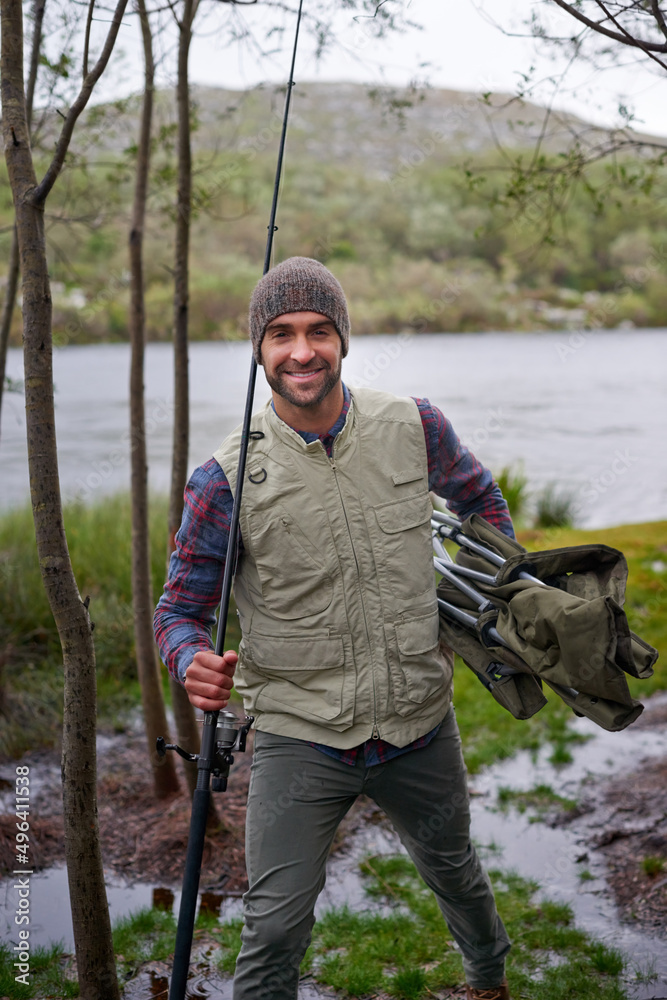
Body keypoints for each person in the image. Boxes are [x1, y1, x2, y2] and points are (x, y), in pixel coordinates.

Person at [154, 257, 514, 1000]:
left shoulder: (415, 425)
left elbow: (482, 501)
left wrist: (483, 600)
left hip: (419, 719)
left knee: (455, 870)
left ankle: (487, 978)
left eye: (319, 330)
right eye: (280, 334)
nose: (301, 350)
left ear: (343, 340)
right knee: (275, 927)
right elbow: (178, 612)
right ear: (258, 350)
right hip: (299, 733)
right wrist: (188, 660)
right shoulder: (222, 479)